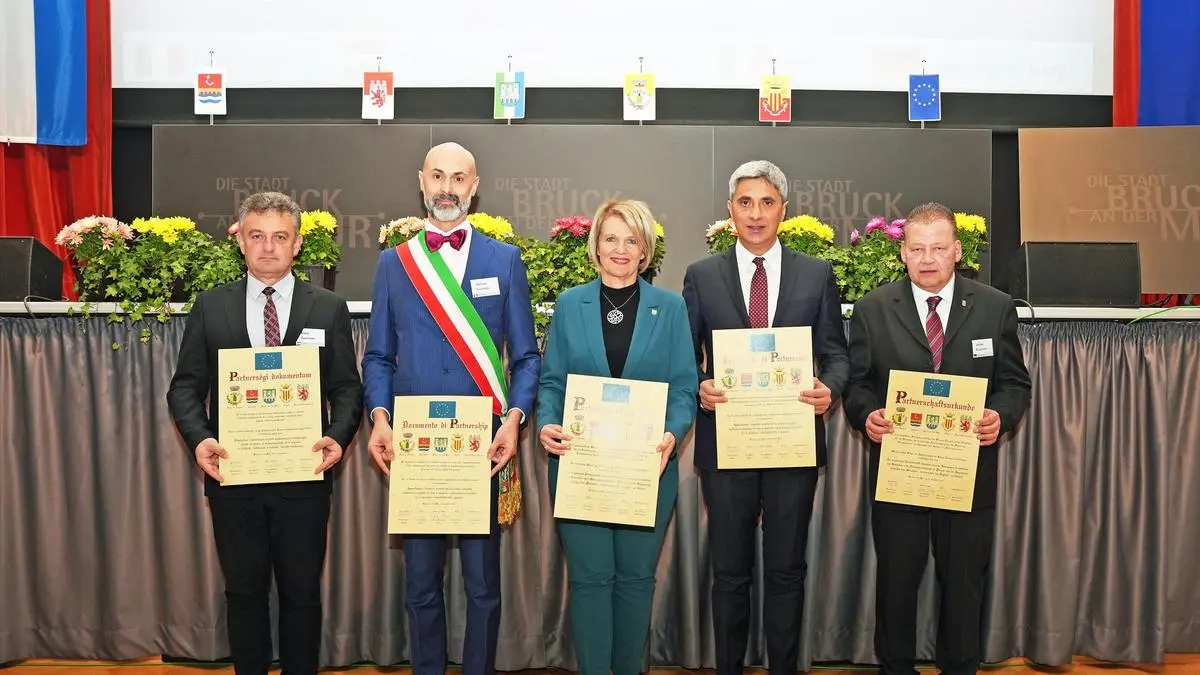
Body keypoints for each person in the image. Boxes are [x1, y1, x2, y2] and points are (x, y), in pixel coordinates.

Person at [361, 142, 541, 675]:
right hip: (417, 447)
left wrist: (514, 420)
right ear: (421, 181)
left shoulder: (504, 260)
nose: (447, 188)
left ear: (474, 186)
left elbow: (526, 357)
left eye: (458, 178)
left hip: (482, 445)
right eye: (437, 176)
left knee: (484, 585)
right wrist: (379, 417)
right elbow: (378, 356)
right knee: (420, 584)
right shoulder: (394, 264)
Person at [166, 191, 364, 675]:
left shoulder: (329, 308)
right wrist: (200, 440)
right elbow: (184, 388)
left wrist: (338, 436)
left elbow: (347, 388)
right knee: (243, 593)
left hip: (304, 476)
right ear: (241, 242)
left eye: (280, 236)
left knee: (302, 593)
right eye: (257, 236)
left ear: (297, 243)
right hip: (234, 476)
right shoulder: (211, 306)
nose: (268, 247)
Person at [842, 202, 1031, 675]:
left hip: (967, 474)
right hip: (900, 471)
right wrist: (867, 415)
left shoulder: (994, 307)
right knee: (896, 584)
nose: (928, 259)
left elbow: (1015, 384)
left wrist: (1000, 416)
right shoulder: (872, 309)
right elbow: (857, 385)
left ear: (958, 251)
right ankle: (896, 668)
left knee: (964, 585)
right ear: (902, 253)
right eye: (918, 249)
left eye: (939, 249)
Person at [681, 160, 850, 675]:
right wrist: (699, 385)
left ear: (784, 209)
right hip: (726, 445)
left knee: (786, 571)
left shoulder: (816, 273)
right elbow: (682, 358)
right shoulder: (701, 275)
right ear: (730, 210)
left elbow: (837, 354)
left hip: (792, 443)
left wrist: (830, 388)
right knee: (729, 573)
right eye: (745, 203)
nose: (756, 214)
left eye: (767, 202)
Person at [537, 199, 698, 675]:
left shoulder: (670, 309)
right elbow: (552, 381)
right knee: (589, 581)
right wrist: (546, 422)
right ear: (596, 245)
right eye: (611, 238)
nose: (621, 249)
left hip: (647, 467)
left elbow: (684, 387)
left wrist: (672, 433)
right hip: (580, 465)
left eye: (631, 240)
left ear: (645, 250)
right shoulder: (571, 304)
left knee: (635, 581)